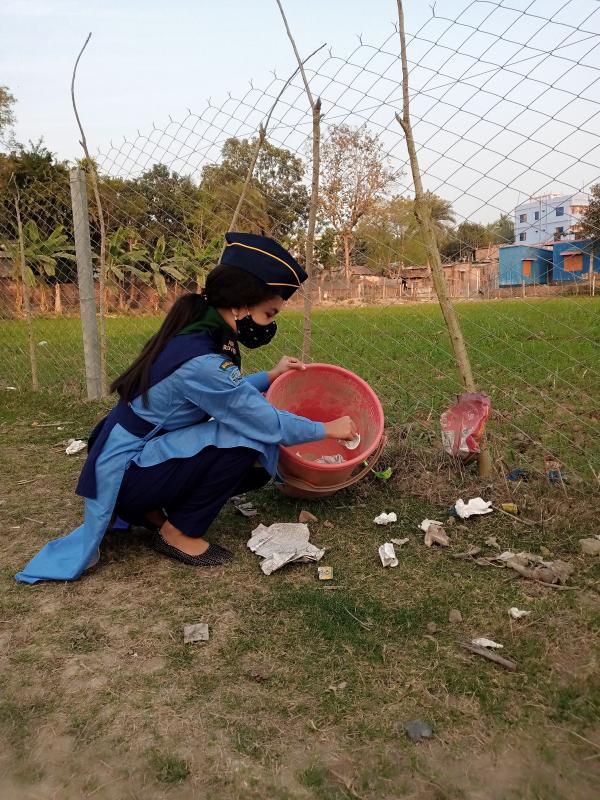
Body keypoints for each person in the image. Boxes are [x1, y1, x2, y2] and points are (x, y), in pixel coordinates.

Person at [16, 232, 356, 584]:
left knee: (239, 434)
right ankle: (177, 533)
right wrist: (327, 429)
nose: (270, 324)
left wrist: (269, 376)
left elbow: (218, 391)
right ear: (241, 304)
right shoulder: (205, 359)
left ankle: (149, 510)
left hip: (124, 456)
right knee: (248, 440)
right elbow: (262, 420)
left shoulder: (198, 326)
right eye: (269, 313)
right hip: (127, 473)